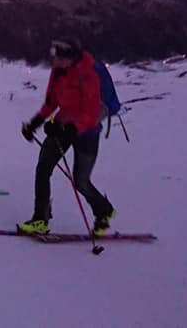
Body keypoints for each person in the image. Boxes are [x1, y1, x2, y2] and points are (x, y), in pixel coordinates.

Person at [19, 37, 116, 235]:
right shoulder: (58, 72)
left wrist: (71, 128)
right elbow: (51, 102)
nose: (54, 62)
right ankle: (40, 219)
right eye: (54, 58)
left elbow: (90, 114)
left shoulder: (88, 76)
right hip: (62, 126)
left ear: (71, 58)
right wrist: (34, 124)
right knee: (43, 169)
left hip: (86, 132)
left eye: (58, 59)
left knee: (81, 181)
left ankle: (104, 210)